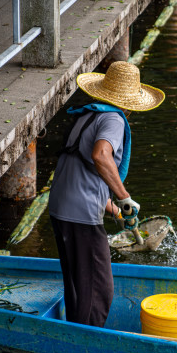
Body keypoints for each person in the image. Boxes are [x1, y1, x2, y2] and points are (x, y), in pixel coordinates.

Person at [49, 61, 165, 327]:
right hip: (79, 214)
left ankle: (76, 334)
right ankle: (87, 348)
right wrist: (124, 196)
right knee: (99, 290)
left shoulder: (88, 115)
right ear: (130, 102)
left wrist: (116, 210)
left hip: (61, 207)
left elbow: (87, 173)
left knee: (78, 286)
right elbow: (100, 156)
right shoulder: (113, 118)